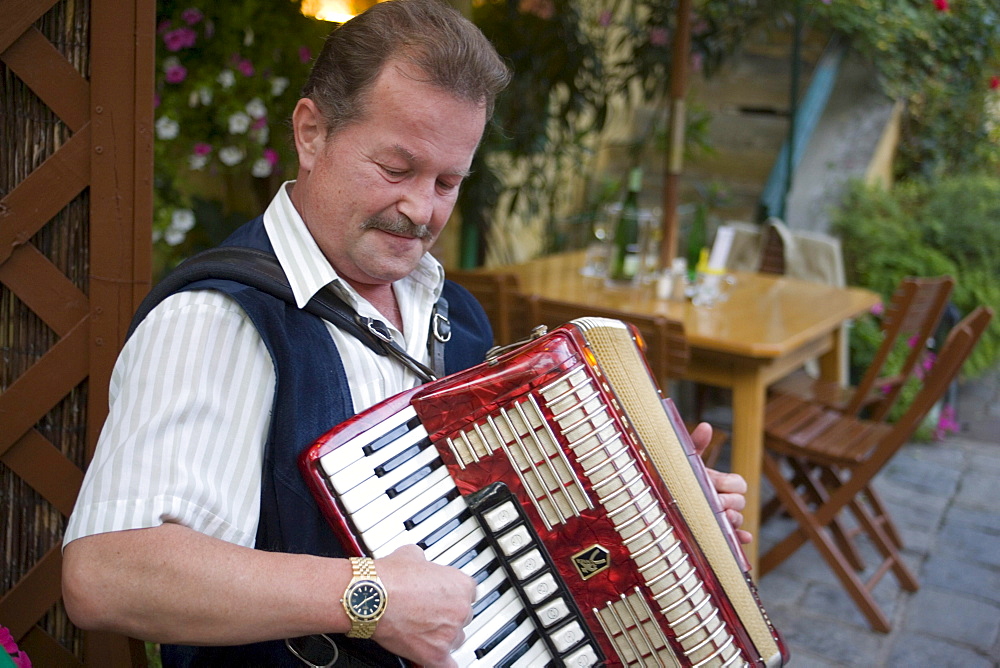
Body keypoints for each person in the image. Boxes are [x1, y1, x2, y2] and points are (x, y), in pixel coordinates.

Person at [62, 1, 750, 666]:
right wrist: (370, 597)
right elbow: (109, 574)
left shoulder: (455, 312)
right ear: (312, 132)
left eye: (448, 182)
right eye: (397, 169)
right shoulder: (218, 322)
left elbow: (507, 538)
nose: (420, 209)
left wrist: (657, 519)